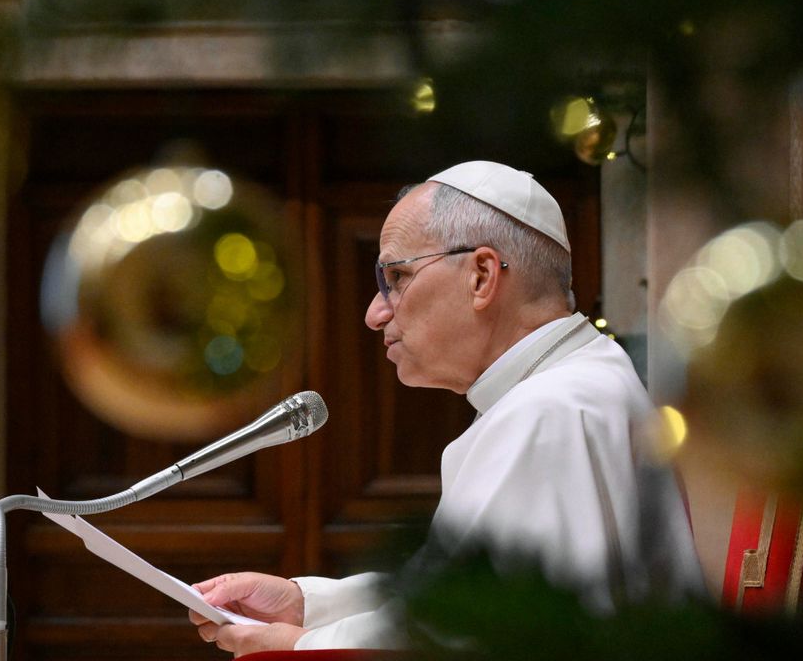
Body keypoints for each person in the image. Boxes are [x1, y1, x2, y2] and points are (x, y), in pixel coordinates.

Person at [188, 160, 703, 656]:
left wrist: (304, 648)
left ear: (481, 276)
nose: (375, 313)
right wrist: (308, 607)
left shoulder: (552, 411)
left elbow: (489, 636)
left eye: (396, 277)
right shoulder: (567, 385)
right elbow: (460, 588)